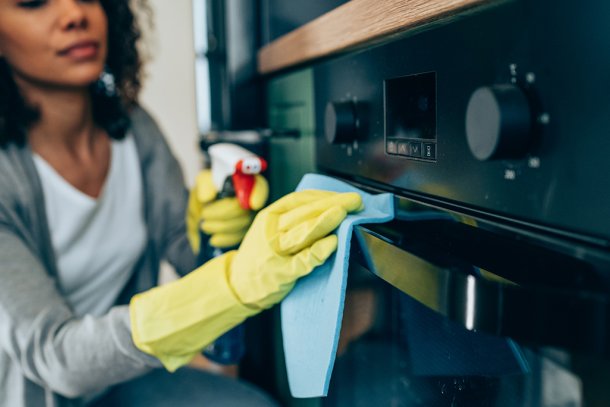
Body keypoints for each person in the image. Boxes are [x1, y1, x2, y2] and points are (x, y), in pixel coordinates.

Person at [0, 0, 363, 406]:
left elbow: (186, 251)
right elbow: (57, 359)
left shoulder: (134, 129)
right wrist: (233, 283)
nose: (73, 14)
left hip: (123, 380)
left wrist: (218, 234)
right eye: (32, 2)